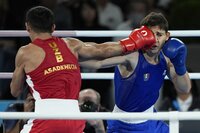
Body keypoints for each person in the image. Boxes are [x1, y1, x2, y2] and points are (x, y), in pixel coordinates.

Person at [10, 6, 156, 133]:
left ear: (27, 27)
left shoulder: (25, 52)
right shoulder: (71, 44)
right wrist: (134, 41)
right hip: (75, 118)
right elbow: (102, 50)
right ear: (53, 27)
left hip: (45, 118)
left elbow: (15, 91)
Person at [80, 12, 191, 132]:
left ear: (167, 36)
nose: (155, 40)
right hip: (124, 124)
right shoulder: (132, 55)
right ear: (142, 35)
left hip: (151, 120)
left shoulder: (168, 58)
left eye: (159, 35)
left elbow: (184, 89)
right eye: (151, 35)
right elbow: (97, 62)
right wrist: (71, 56)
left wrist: (180, 66)